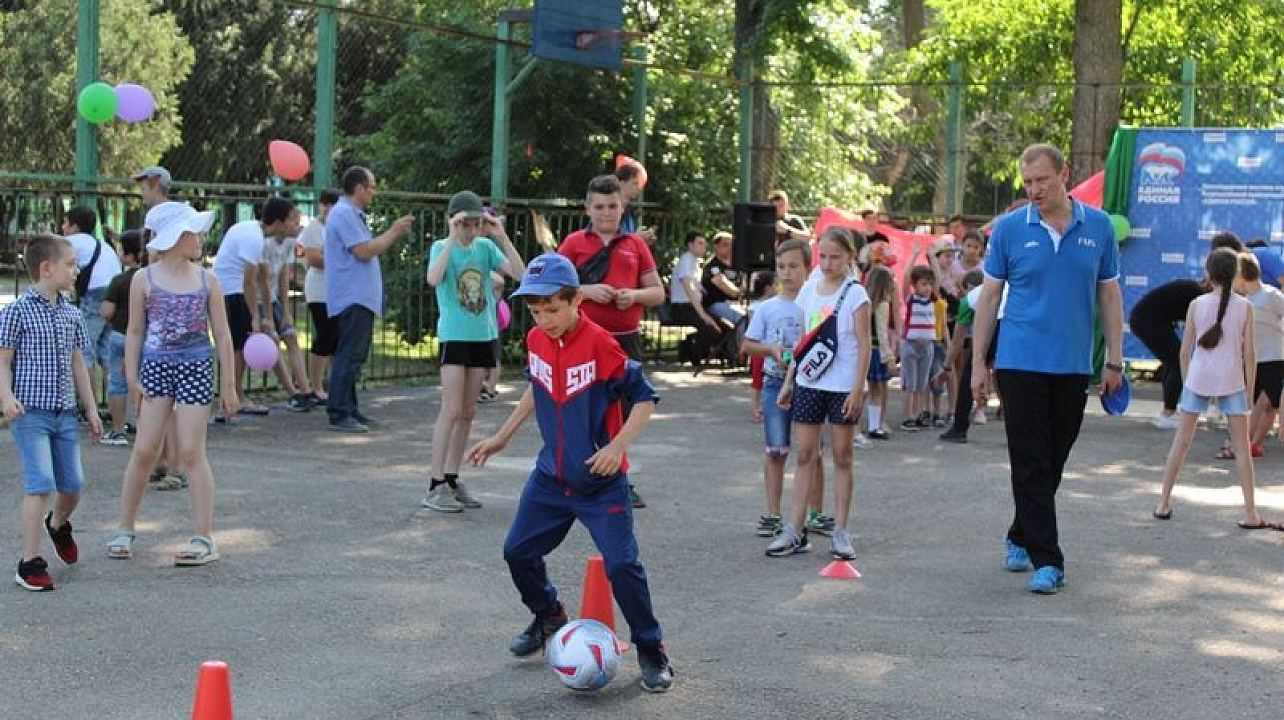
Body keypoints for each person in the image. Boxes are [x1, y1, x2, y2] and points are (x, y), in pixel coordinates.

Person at [464, 253, 674, 693]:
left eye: (554, 309)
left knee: (622, 565)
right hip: (551, 479)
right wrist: (501, 436)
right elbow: (535, 388)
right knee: (517, 552)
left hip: (599, 483)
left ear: (576, 300)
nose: (545, 320)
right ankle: (549, 616)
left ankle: (652, 650)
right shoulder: (537, 340)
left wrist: (618, 447)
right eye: (537, 312)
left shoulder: (602, 345)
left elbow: (645, 399)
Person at [970, 143, 1124, 595]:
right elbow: (990, 298)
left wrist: (1115, 359)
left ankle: (1021, 532)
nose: (1035, 190)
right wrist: (979, 362)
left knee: (1054, 458)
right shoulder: (1010, 230)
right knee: (1031, 459)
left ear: (1064, 174)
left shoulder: (1098, 227)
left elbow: (1110, 297)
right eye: (1028, 183)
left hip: (1073, 364)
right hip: (1019, 361)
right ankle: (1048, 560)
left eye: (1042, 180)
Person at [105, 202, 239, 565]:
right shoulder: (142, 280)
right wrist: (132, 376)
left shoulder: (207, 280)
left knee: (192, 452)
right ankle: (125, 527)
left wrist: (228, 385)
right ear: (173, 238)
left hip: (195, 368)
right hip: (155, 369)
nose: (199, 238)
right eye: (192, 232)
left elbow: (223, 336)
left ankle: (204, 536)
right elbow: (134, 331)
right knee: (145, 450)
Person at [1, 235, 102, 591]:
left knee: (73, 485)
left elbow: (79, 365)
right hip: (30, 414)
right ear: (47, 268)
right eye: (71, 264)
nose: (77, 271)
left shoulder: (72, 314)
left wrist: (91, 409)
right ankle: (29, 563)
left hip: (64, 414)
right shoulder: (16, 311)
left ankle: (58, 523)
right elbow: (3, 359)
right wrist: (6, 396)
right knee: (40, 483)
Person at [558, 174, 664, 508]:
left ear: (623, 207)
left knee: (623, 410)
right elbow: (553, 290)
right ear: (587, 209)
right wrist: (586, 290)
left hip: (624, 341)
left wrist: (632, 296)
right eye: (600, 207)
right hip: (582, 341)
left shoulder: (635, 245)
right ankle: (578, 475)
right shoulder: (574, 244)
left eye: (613, 206)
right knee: (582, 409)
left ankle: (618, 475)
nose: (606, 213)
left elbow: (658, 292)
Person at [767, 227, 871, 561]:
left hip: (842, 385)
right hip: (810, 382)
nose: (827, 263)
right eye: (823, 256)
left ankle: (840, 531)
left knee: (842, 455)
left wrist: (858, 387)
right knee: (804, 454)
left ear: (850, 258)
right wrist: (789, 381)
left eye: (835, 257)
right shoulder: (810, 290)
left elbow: (865, 343)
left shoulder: (856, 294)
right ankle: (794, 529)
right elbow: (805, 342)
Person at [1153, 249, 1271, 528]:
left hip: (1198, 379)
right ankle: (1251, 513)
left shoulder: (1196, 304)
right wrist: (1250, 390)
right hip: (1233, 381)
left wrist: (1187, 382)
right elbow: (1250, 354)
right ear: (1236, 274)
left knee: (1181, 443)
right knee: (1242, 447)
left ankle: (1163, 503)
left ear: (1209, 273)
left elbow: (1185, 352)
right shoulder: (1246, 306)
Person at [423, 190, 525, 512]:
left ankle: (452, 478)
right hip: (455, 336)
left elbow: (521, 274)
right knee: (451, 409)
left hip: (482, 335)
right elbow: (433, 278)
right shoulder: (442, 247)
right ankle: (434, 483)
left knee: (468, 412)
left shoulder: (485, 247)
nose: (470, 229)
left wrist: (501, 235)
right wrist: (453, 237)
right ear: (454, 222)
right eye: (464, 223)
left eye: (474, 224)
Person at [325, 166, 415, 433]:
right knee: (348, 355)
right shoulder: (343, 214)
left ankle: (349, 408)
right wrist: (395, 231)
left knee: (354, 356)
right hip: (351, 295)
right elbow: (363, 251)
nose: (374, 191)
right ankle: (339, 412)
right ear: (360, 187)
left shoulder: (351, 214)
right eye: (372, 186)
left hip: (358, 296)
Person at [742, 240, 807, 538]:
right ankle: (773, 512)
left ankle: (811, 512)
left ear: (807, 267)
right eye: (782, 267)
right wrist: (772, 350)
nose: (787, 273)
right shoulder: (767, 308)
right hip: (773, 383)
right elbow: (747, 346)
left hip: (808, 384)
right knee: (776, 450)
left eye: (794, 266)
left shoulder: (813, 304)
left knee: (811, 452)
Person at [211, 197, 299, 416]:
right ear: (278, 222)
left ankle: (233, 396)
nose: (294, 224)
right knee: (238, 349)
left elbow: (262, 279)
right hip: (231, 291)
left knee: (238, 346)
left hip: (228, 289)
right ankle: (235, 397)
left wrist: (268, 314)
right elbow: (249, 281)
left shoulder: (252, 232)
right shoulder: (255, 239)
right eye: (290, 219)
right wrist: (255, 318)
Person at [62, 205, 123, 410]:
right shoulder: (102, 245)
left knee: (82, 350)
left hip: (96, 296)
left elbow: (49, 253)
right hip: (115, 295)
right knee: (107, 352)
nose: (62, 228)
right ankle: (116, 406)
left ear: (75, 226)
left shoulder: (74, 241)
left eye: (65, 223)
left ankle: (88, 406)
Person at [257, 205, 314, 411]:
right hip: (257, 299)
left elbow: (282, 276)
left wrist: (286, 311)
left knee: (290, 336)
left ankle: (306, 391)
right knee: (272, 341)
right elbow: (262, 281)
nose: (297, 226)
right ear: (281, 224)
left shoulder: (290, 243)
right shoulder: (264, 243)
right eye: (294, 221)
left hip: (271, 297)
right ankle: (292, 392)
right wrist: (270, 317)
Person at [1234, 253, 1284, 457]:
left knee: (1269, 404)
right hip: (1254, 361)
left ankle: (1247, 444)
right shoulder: (1243, 302)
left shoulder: (1271, 295)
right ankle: (1249, 444)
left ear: (1240, 276)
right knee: (1260, 404)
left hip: (1275, 358)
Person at [99, 230, 144, 446]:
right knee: (146, 382)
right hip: (147, 338)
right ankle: (142, 425)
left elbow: (106, 311)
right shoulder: (153, 278)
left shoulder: (120, 280)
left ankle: (118, 430)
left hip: (121, 335)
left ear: (128, 256)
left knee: (117, 383)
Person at [299, 188, 341, 405]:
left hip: (336, 290)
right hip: (319, 290)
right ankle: (315, 386)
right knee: (325, 335)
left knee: (337, 337)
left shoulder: (338, 227)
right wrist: (341, 261)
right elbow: (314, 258)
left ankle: (336, 384)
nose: (328, 210)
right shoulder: (314, 229)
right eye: (326, 205)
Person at [938, 270, 986, 443]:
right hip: (1011, 332)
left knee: (967, 378)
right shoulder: (1003, 289)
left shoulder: (968, 301)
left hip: (989, 335)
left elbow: (958, 340)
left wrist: (947, 365)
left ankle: (959, 428)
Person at [668, 231, 721, 364]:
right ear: (690, 245)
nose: (703, 247)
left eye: (704, 244)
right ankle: (691, 351)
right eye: (700, 243)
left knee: (722, 327)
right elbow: (688, 288)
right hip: (683, 308)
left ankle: (690, 343)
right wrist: (703, 314)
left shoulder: (696, 263)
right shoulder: (686, 260)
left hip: (692, 307)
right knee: (711, 328)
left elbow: (696, 286)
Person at [862, 264, 899, 440]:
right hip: (877, 352)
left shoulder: (864, 302)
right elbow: (882, 332)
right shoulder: (882, 304)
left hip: (864, 351)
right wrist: (889, 357)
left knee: (864, 390)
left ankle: (860, 425)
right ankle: (874, 426)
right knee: (877, 391)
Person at [899, 265, 937, 431]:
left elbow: (938, 277)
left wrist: (933, 259)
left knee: (922, 383)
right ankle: (909, 416)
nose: (927, 287)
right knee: (910, 383)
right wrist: (913, 257)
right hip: (911, 344)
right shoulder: (911, 298)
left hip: (928, 345)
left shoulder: (932, 298)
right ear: (915, 285)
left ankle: (920, 413)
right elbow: (906, 280)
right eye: (923, 283)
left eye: (929, 284)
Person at [701, 231, 745, 326]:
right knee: (743, 319)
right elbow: (726, 287)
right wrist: (741, 293)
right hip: (717, 305)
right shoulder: (712, 266)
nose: (730, 248)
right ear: (716, 247)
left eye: (731, 245)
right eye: (725, 245)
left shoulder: (736, 265)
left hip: (736, 304)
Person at [615, 160, 657, 244]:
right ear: (622, 183)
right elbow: (609, 242)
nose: (639, 188)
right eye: (634, 183)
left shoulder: (629, 209)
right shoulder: (610, 209)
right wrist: (636, 238)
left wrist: (642, 240)